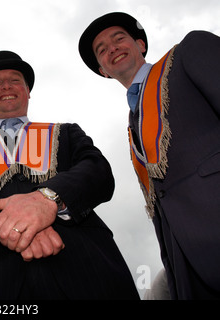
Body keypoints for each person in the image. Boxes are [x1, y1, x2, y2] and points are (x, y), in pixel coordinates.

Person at [0, 50, 139, 300]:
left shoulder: (66, 133)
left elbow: (97, 171)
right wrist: (13, 227)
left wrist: (47, 200)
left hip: (80, 263)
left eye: (15, 80)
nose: (6, 86)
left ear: (28, 90)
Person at [79, 12, 220, 299]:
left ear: (140, 44)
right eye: (102, 50)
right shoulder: (133, 125)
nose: (112, 48)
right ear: (104, 71)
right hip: (186, 261)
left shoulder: (187, 53)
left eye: (119, 39)